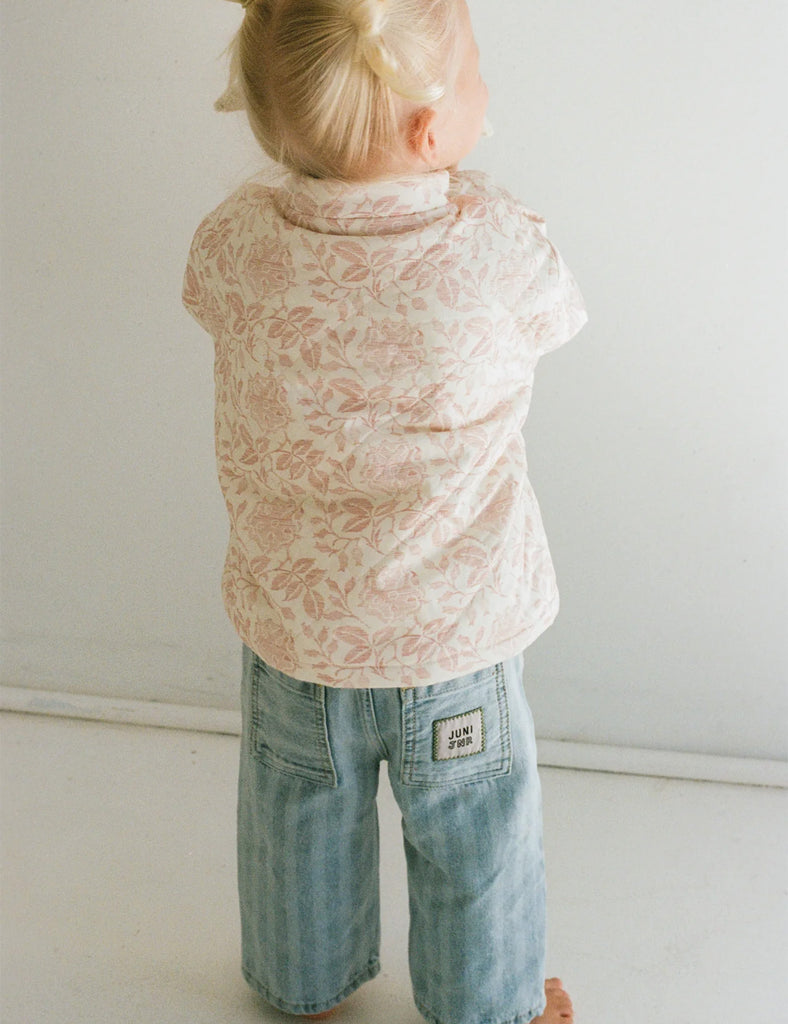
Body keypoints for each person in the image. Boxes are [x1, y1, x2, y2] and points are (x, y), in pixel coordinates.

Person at [183, 0, 586, 1020]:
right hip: (451, 640)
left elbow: (206, 295)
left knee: (296, 814)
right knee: (473, 829)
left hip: (297, 635)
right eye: (476, 71)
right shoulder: (492, 249)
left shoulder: (235, 243)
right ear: (428, 129)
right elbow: (557, 311)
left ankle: (300, 979)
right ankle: (489, 1001)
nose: (486, 87)